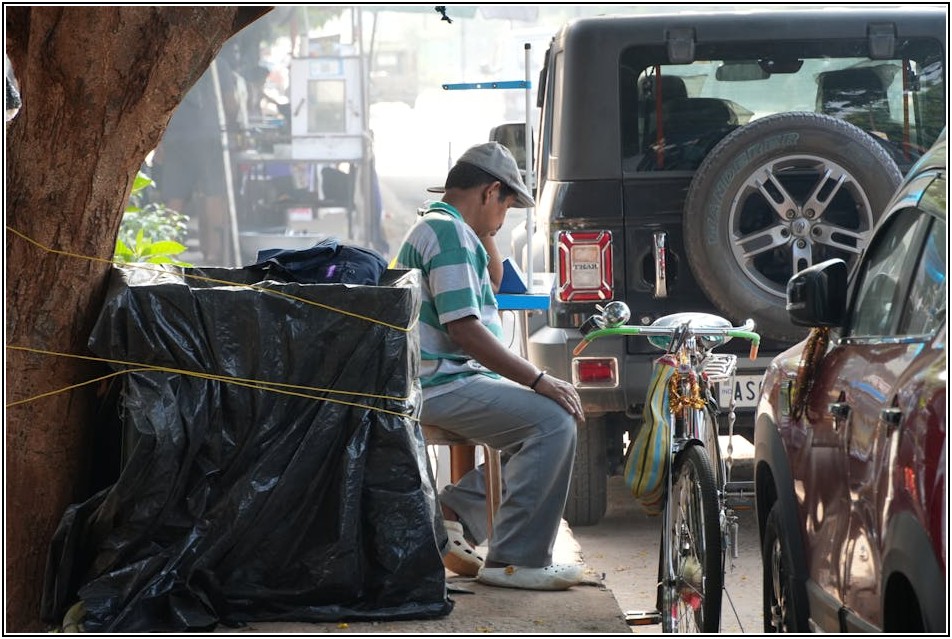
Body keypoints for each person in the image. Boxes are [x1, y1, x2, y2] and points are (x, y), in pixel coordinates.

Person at [394, 142, 585, 591]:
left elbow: (493, 281)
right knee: (554, 422)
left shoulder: (449, 228)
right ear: (489, 191)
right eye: (507, 205)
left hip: (442, 378)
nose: (505, 218)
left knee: (543, 423)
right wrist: (539, 379)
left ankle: (455, 510)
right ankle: (514, 561)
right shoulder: (447, 234)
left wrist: (486, 226)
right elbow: (465, 330)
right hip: (437, 383)